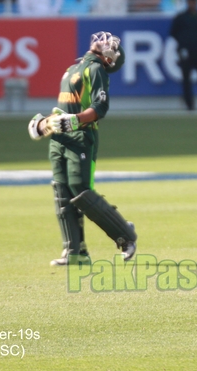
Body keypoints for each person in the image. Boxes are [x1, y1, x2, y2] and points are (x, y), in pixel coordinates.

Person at [26, 31, 137, 266]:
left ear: (110, 60)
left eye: (113, 49)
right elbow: (62, 107)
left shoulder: (96, 69)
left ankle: (125, 236)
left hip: (81, 135)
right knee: (61, 191)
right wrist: (46, 123)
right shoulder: (72, 69)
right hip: (59, 138)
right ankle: (75, 252)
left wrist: (73, 121)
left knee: (81, 190)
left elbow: (100, 107)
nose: (108, 43)